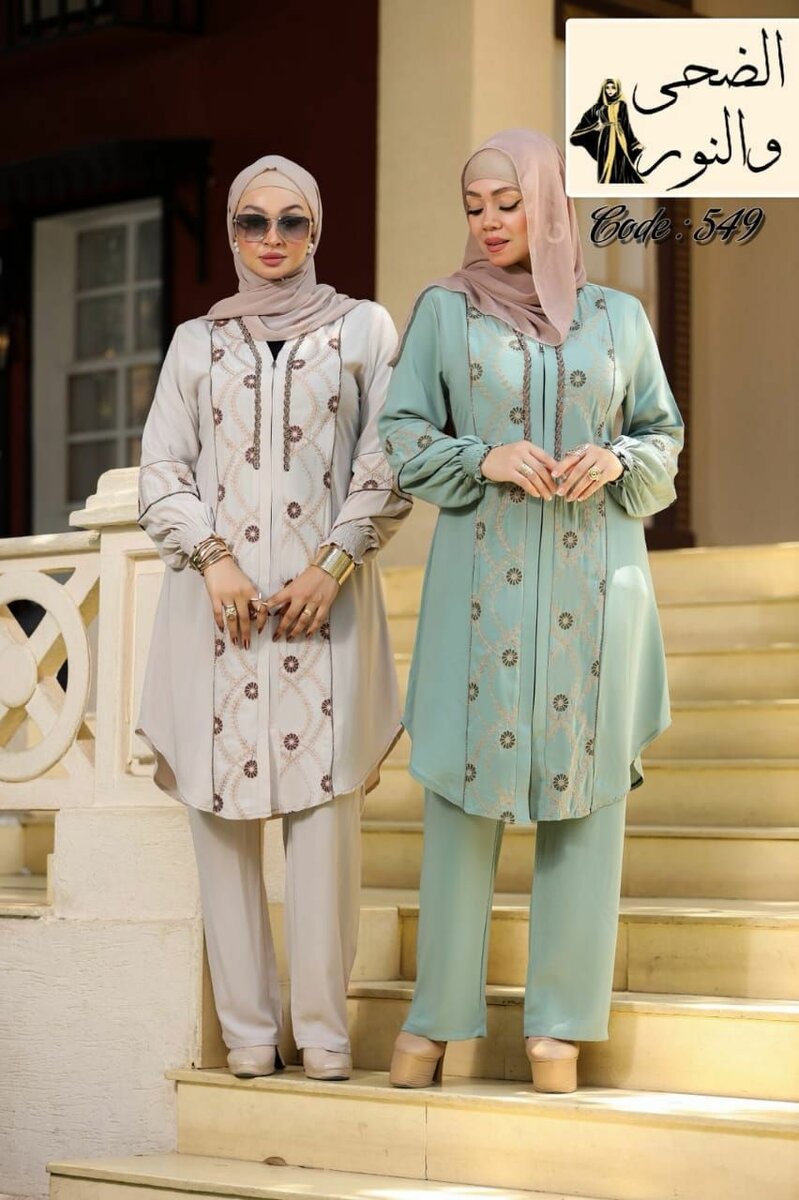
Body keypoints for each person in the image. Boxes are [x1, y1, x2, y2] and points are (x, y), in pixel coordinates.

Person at [378, 128, 683, 1093]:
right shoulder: (445, 311)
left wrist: (616, 459)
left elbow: (661, 437)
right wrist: (485, 457)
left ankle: (560, 1027)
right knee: (462, 798)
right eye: (474, 205)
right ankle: (435, 1019)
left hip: (598, 584)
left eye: (507, 203)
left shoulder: (618, 317)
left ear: (548, 203)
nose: (489, 221)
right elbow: (400, 432)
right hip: (480, 590)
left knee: (585, 800)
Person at [136, 155, 410, 1083]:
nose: (272, 239)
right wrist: (211, 559)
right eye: (252, 222)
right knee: (220, 823)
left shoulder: (363, 329)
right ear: (231, 233)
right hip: (218, 617)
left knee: (325, 824)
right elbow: (161, 471)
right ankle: (248, 1030)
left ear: (315, 231)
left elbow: (389, 461)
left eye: (292, 221)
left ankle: (324, 1031)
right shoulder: (195, 344)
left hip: (323, 610)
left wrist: (333, 566)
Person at [570, 78, 645, 184]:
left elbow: (626, 124)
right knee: (606, 165)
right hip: (605, 140)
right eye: (607, 88)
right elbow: (586, 119)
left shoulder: (621, 104)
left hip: (619, 138)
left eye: (613, 88)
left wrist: (635, 143)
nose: (610, 90)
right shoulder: (599, 106)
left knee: (620, 163)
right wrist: (594, 127)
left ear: (617, 89)